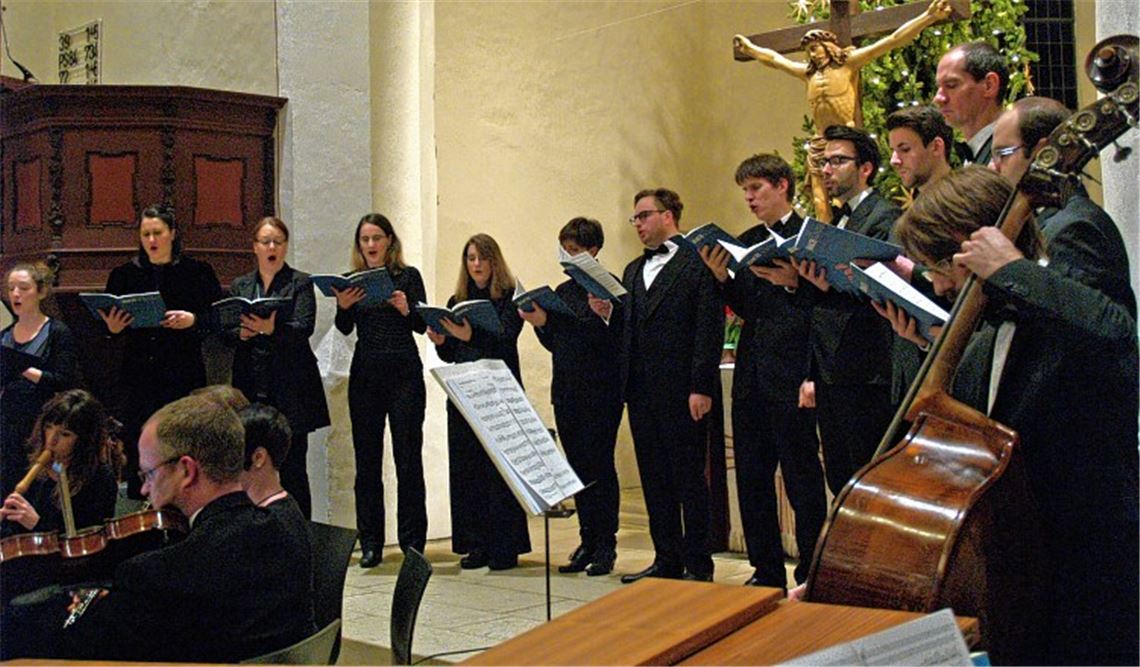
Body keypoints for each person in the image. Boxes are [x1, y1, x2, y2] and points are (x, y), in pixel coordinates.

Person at [891, 166, 1138, 664]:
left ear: (970, 245)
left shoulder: (1061, 315)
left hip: (1091, 574)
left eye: (939, 265)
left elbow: (1117, 334)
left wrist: (1011, 269)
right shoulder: (980, 345)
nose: (938, 287)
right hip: (1021, 580)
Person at [60, 393, 315, 663]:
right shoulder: (285, 527)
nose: (145, 488)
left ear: (186, 471)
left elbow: (93, 648)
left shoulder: (154, 574)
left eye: (149, 474)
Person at [697, 156, 827, 590]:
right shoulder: (747, 241)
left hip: (793, 373)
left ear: (783, 186)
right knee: (752, 478)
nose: (750, 198)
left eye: (756, 188)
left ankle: (812, 566)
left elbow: (824, 311)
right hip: (752, 375)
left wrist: (795, 282)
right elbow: (750, 308)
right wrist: (722, 280)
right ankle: (766, 569)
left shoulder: (810, 238)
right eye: (745, 191)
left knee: (801, 476)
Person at [733, 0, 950, 220]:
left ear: (829, 46)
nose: (813, 55)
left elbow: (891, 40)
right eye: (808, 51)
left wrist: (929, 17)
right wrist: (751, 49)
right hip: (820, 141)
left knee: (849, 193)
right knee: (820, 202)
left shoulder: (847, 63)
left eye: (816, 48)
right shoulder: (809, 74)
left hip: (848, 136)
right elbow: (775, 59)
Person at [780, 126, 896, 496]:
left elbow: (884, 290)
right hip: (833, 370)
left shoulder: (885, 218)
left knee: (869, 480)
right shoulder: (837, 220)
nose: (827, 169)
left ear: (866, 168)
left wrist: (829, 282)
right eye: (824, 162)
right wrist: (799, 280)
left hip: (867, 367)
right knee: (841, 478)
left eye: (838, 161)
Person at [618, 189, 723, 584]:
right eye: (636, 219)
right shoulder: (631, 271)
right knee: (654, 478)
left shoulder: (697, 264)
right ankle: (666, 557)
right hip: (641, 392)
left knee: (688, 478)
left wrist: (702, 386)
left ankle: (698, 562)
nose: (639, 225)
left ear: (669, 216)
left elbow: (707, 328)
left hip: (682, 391)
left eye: (645, 216)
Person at [518, 217, 623, 577]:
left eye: (574, 250)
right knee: (577, 470)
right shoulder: (562, 293)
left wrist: (605, 314)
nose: (568, 257)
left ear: (593, 251)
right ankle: (586, 541)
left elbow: (617, 341)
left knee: (600, 468)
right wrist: (541, 323)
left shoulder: (609, 288)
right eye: (565, 250)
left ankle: (606, 544)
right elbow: (556, 344)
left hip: (601, 393)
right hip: (566, 391)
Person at [99, 204, 221, 497]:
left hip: (182, 375)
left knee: (184, 445)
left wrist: (193, 321)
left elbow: (218, 321)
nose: (151, 240)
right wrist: (112, 329)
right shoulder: (125, 275)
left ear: (172, 234)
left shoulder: (197, 272)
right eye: (146, 234)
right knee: (139, 445)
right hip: (140, 377)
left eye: (157, 233)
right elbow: (110, 330)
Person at [428, 233, 529, 571]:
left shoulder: (510, 297)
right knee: (467, 470)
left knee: (498, 473)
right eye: (470, 258)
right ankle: (476, 545)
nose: (476, 265)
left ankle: (505, 548)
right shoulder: (458, 299)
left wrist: (471, 335)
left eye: (482, 258)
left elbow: (506, 338)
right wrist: (442, 341)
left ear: (493, 261)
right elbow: (452, 353)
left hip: (499, 394)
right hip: (466, 392)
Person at [334, 213, 428, 568]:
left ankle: (412, 543)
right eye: (365, 239)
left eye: (376, 238)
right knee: (367, 462)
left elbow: (422, 326)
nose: (371, 245)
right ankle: (371, 541)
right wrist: (343, 308)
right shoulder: (351, 281)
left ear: (389, 240)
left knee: (408, 458)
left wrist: (408, 309)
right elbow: (344, 329)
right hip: (367, 374)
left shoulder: (408, 276)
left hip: (404, 372)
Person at [988, 96, 1136, 319]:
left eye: (1003, 154)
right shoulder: (1043, 220)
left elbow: (1101, 325)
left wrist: (1014, 268)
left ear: (1041, 152)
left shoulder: (1074, 229)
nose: (992, 167)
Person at [225, 217, 330, 519]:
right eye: (265, 242)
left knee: (294, 468)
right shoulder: (241, 285)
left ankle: (301, 534)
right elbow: (226, 330)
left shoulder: (300, 282)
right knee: (248, 464)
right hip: (253, 384)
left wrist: (272, 329)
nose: (272, 247)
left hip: (291, 388)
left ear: (285, 247)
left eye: (278, 242)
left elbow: (304, 327)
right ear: (255, 247)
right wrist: (241, 333)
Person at [882, 105, 954, 407]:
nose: (895, 160)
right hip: (909, 356)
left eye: (905, 149)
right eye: (893, 150)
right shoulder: (912, 208)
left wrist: (912, 273)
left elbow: (964, 278)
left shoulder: (960, 203)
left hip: (948, 363)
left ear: (936, 146)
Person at [1, 263, 80, 496]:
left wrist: (24, 367)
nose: (15, 294)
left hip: (41, 420)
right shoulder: (5, 333)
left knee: (36, 485)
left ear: (41, 292)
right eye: (11, 288)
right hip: (8, 419)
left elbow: (64, 380)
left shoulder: (57, 332)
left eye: (23, 288)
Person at [0, 390, 121, 537]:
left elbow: (89, 540)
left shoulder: (100, 479)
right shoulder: (25, 464)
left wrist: (37, 524)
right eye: (48, 427)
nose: (51, 440)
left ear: (84, 440)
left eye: (65, 434)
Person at [934, 41, 1007, 166]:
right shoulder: (974, 151)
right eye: (938, 87)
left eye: (951, 85)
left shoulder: (1011, 154)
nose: (938, 98)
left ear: (989, 85)